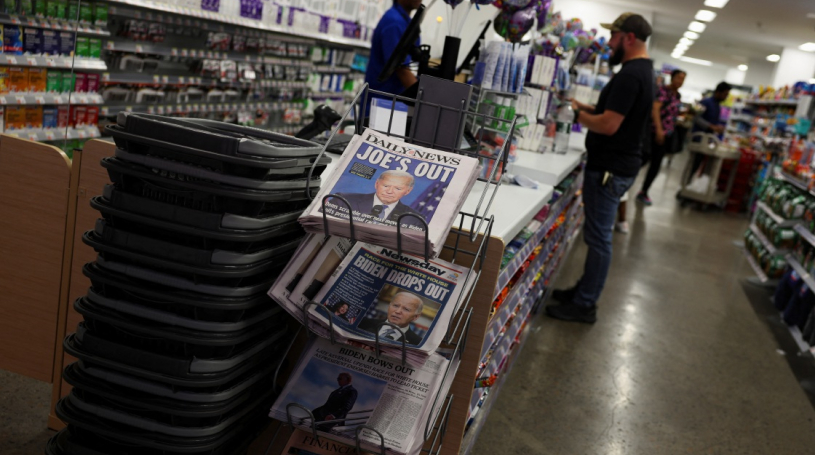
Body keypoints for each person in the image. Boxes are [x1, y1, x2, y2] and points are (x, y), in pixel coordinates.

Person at [547, 13, 655, 323]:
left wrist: (572, 114)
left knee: (598, 239)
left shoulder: (630, 75)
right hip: (618, 165)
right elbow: (615, 114)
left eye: (614, 36)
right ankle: (583, 291)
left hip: (610, 168)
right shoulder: (641, 71)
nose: (609, 43)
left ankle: (585, 305)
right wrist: (583, 107)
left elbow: (609, 125)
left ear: (629, 38)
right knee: (597, 237)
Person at [637, 69, 687, 206]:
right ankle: (624, 180)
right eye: (678, 78)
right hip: (654, 132)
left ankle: (644, 191)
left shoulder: (678, 96)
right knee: (643, 159)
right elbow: (655, 109)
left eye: (683, 79)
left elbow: (672, 112)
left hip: (667, 134)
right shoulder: (663, 91)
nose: (680, 81)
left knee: (656, 165)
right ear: (672, 78)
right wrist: (659, 130)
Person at [364, 0, 421, 94]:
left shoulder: (405, 21)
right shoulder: (394, 23)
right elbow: (402, 70)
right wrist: (422, 99)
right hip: (382, 100)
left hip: (390, 98)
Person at [334, 170, 424, 227]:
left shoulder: (415, 219)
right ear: (377, 184)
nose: (389, 191)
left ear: (408, 191)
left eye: (398, 188)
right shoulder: (344, 200)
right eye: (386, 186)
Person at [358, 291, 424, 344]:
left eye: (406, 309)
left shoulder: (418, 342)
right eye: (395, 305)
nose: (398, 311)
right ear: (389, 306)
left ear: (415, 317)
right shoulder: (363, 323)